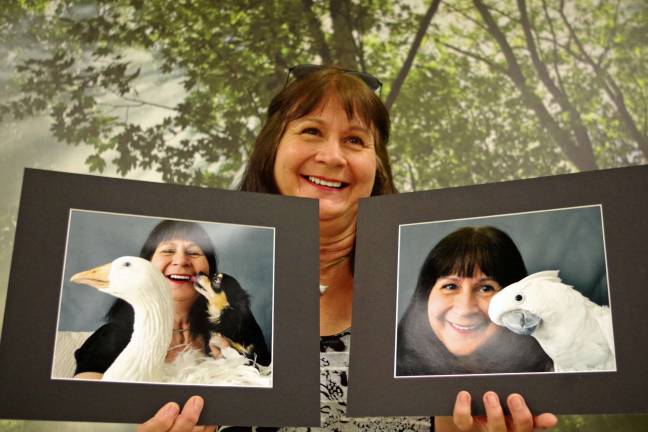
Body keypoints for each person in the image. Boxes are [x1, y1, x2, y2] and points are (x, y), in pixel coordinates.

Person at [139, 66, 558, 431]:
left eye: (356, 141)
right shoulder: (211, 287)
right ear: (272, 149)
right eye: (311, 131)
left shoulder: (428, 290)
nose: (332, 156)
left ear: (377, 166)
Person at [74, 219, 270, 379]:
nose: (181, 261)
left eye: (194, 252)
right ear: (147, 263)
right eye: (167, 251)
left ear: (209, 269)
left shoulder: (239, 325)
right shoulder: (113, 336)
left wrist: (238, 361)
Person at [397, 226, 553, 376]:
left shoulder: (552, 370)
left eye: (486, 288)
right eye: (450, 286)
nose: (465, 308)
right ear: (425, 294)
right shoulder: (387, 366)